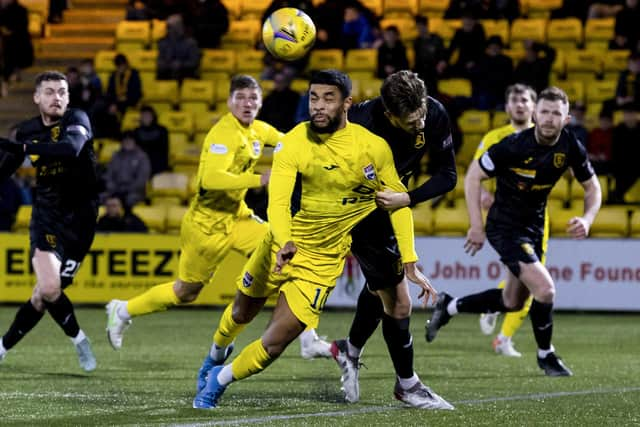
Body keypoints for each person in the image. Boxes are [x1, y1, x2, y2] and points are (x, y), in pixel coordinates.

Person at [192, 69, 443, 410]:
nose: (319, 106)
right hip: (282, 244)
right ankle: (215, 354)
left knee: (275, 343)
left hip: (321, 261)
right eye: (313, 98)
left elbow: (396, 203)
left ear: (347, 104)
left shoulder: (374, 148)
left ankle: (218, 379)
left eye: (328, 98)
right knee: (241, 311)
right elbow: (278, 202)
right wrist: (283, 242)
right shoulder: (294, 142)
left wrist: (410, 261)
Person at [104, 75, 330, 361]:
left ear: (260, 103)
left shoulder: (259, 130)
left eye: (253, 98)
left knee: (289, 256)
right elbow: (210, 179)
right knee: (186, 292)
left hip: (239, 219)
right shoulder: (223, 134)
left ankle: (308, 338)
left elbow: (290, 142)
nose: (247, 103)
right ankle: (122, 310)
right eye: (240, 98)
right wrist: (259, 178)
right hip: (206, 226)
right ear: (229, 102)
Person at [426, 87, 602, 377]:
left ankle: (449, 306)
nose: (548, 118)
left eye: (556, 113)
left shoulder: (570, 146)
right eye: (544, 112)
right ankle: (546, 355)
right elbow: (473, 177)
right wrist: (476, 225)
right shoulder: (513, 145)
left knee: (513, 302)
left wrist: (588, 218)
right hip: (505, 226)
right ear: (535, 114)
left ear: (566, 118)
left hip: (534, 226)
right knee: (545, 289)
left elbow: (592, 187)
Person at [330, 70, 456, 407]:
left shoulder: (434, 113)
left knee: (380, 287)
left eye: (422, 116)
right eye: (411, 121)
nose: (420, 125)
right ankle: (407, 386)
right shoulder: (358, 126)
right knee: (400, 301)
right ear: (389, 115)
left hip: (391, 206)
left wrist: (407, 198)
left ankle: (348, 349)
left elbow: (448, 175)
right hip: (358, 213)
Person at [0, 71, 100, 371]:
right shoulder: (27, 131)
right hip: (46, 217)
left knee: (42, 296)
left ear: (68, 97)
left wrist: (25, 148)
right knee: (49, 287)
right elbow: (4, 171)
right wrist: (17, 148)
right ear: (36, 97)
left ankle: (3, 344)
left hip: (81, 221)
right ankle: (79, 339)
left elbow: (70, 149)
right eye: (49, 92)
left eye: (61, 92)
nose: (56, 97)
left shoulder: (77, 119)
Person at [470, 84, 538, 357]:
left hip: (538, 219)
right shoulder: (495, 137)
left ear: (533, 106)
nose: (519, 105)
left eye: (524, 100)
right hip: (508, 220)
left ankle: (495, 310)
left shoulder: (545, 136)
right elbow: (475, 174)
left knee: (527, 280)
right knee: (532, 280)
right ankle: (505, 338)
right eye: (514, 100)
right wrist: (484, 193)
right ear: (507, 107)